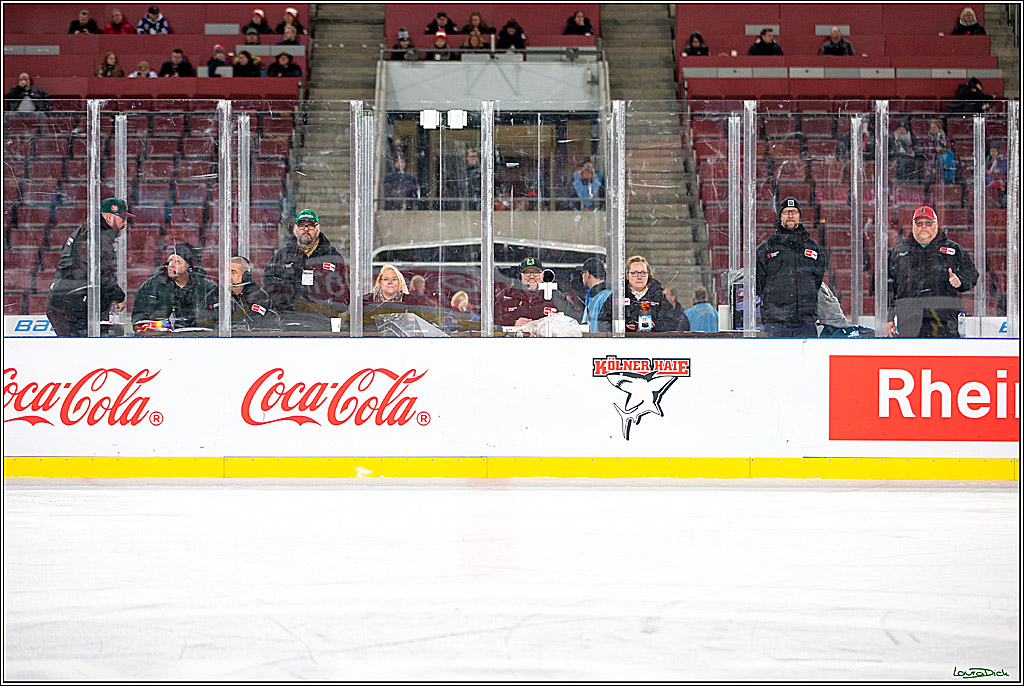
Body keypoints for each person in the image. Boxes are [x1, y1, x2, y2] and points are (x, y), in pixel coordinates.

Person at [44, 198, 132, 337]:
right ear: (110, 217)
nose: (125, 223)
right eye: (123, 219)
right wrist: (118, 296)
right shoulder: (98, 237)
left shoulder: (88, 231)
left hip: (67, 303)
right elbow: (100, 274)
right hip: (72, 307)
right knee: (81, 348)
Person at [886, 206, 978, 338]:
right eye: (919, 223)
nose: (924, 226)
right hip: (909, 321)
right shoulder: (898, 252)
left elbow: (972, 274)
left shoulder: (953, 250)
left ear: (936, 225)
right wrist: (889, 317)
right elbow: (888, 286)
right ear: (913, 226)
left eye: (928, 223)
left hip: (944, 321)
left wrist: (960, 281)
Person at [263, 208, 349, 331]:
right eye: (302, 225)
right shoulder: (282, 256)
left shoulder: (332, 256)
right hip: (288, 322)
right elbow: (269, 286)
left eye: (310, 225)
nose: (306, 229)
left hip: (322, 323)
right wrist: (283, 306)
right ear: (295, 228)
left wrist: (331, 310)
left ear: (318, 228)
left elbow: (343, 291)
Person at [755, 197, 827, 337]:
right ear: (780, 216)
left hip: (805, 324)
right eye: (786, 212)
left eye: (794, 212)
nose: (790, 215)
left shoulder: (812, 247)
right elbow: (759, 282)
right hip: (776, 324)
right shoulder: (767, 248)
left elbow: (817, 280)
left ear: (799, 216)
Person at [132, 243, 219, 330]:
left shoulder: (207, 288)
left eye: (177, 262)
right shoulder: (152, 285)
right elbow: (138, 320)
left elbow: (216, 321)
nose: (171, 265)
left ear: (189, 267)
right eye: (170, 261)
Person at [597, 255, 678, 334]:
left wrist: (654, 326)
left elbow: (672, 322)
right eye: (634, 273)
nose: (639, 277)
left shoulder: (658, 296)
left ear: (648, 275)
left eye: (643, 273)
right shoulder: (618, 296)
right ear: (627, 275)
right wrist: (623, 327)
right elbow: (603, 322)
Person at [495, 257, 577, 327]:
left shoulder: (553, 295)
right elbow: (492, 320)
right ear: (521, 275)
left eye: (536, 272)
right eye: (527, 272)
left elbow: (574, 318)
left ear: (542, 275)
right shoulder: (508, 294)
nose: (531, 276)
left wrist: (553, 324)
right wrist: (513, 323)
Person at [230, 256, 280, 331]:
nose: (227, 276)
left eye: (233, 272)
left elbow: (271, 326)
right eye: (225, 272)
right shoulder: (215, 296)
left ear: (245, 276)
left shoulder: (259, 297)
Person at [580, 257, 610, 333]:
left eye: (582, 273)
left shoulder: (605, 297)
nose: (582, 276)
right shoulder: (594, 295)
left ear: (587, 274)